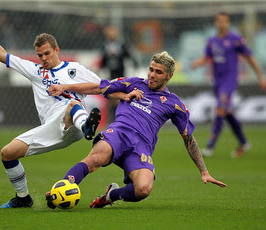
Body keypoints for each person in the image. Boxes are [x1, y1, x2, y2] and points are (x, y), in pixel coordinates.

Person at [46, 51, 227, 209]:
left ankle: (111, 195)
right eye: (151, 69)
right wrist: (64, 87)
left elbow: (188, 138)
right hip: (119, 133)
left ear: (169, 76)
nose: (152, 75)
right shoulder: (133, 83)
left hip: (142, 146)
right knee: (96, 158)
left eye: (158, 72)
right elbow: (99, 87)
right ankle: (61, 188)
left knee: (143, 189)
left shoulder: (174, 104)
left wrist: (203, 170)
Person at [0, 9, 105, 208]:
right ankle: (23, 198)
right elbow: (2, 55)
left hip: (73, 120)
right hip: (51, 127)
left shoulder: (75, 69)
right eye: (40, 55)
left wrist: (126, 93)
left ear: (57, 50)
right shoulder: (35, 71)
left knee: (72, 104)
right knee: (7, 153)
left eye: (47, 53)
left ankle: (87, 127)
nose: (44, 58)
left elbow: (103, 87)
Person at [191, 12, 266, 158]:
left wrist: (260, 76)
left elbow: (249, 57)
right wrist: (197, 63)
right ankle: (244, 142)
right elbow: (206, 57)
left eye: (225, 21)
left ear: (228, 23)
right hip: (217, 82)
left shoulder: (235, 39)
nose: (222, 24)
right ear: (216, 23)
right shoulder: (212, 41)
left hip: (230, 80)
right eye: (219, 21)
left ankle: (209, 147)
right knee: (227, 112)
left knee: (220, 108)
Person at [100, 25, 139, 123]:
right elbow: (103, 61)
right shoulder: (105, 45)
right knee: (110, 97)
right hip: (110, 75)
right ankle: (112, 120)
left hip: (120, 75)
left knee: (119, 97)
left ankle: (121, 120)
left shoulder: (122, 45)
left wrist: (135, 64)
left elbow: (129, 55)